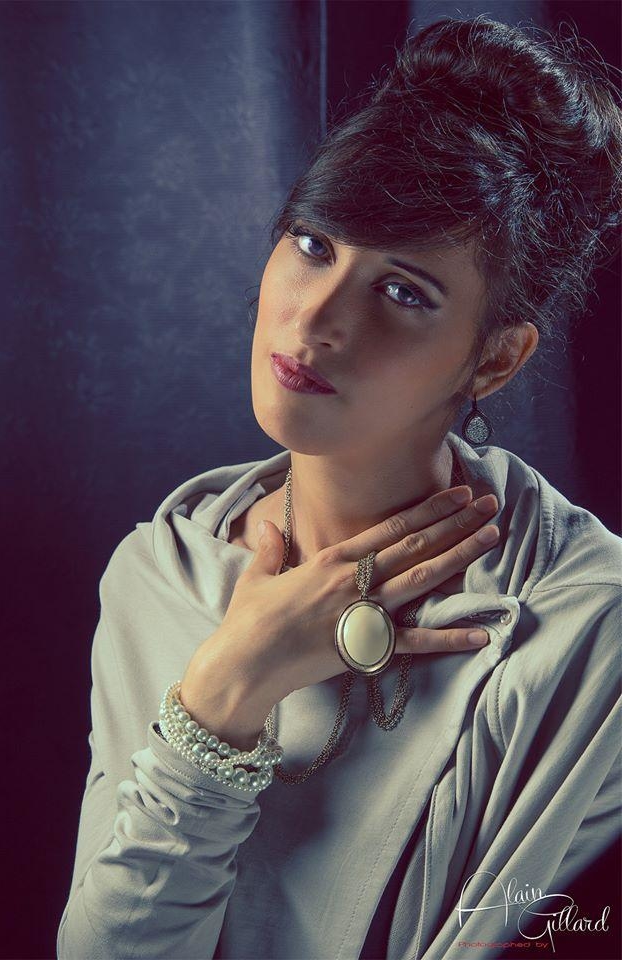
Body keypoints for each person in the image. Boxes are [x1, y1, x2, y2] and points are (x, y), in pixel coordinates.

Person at [57, 14, 621, 960]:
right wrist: (227, 690)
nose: (314, 319)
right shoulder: (162, 572)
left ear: (495, 358)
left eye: (403, 291)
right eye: (314, 244)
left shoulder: (582, 626)